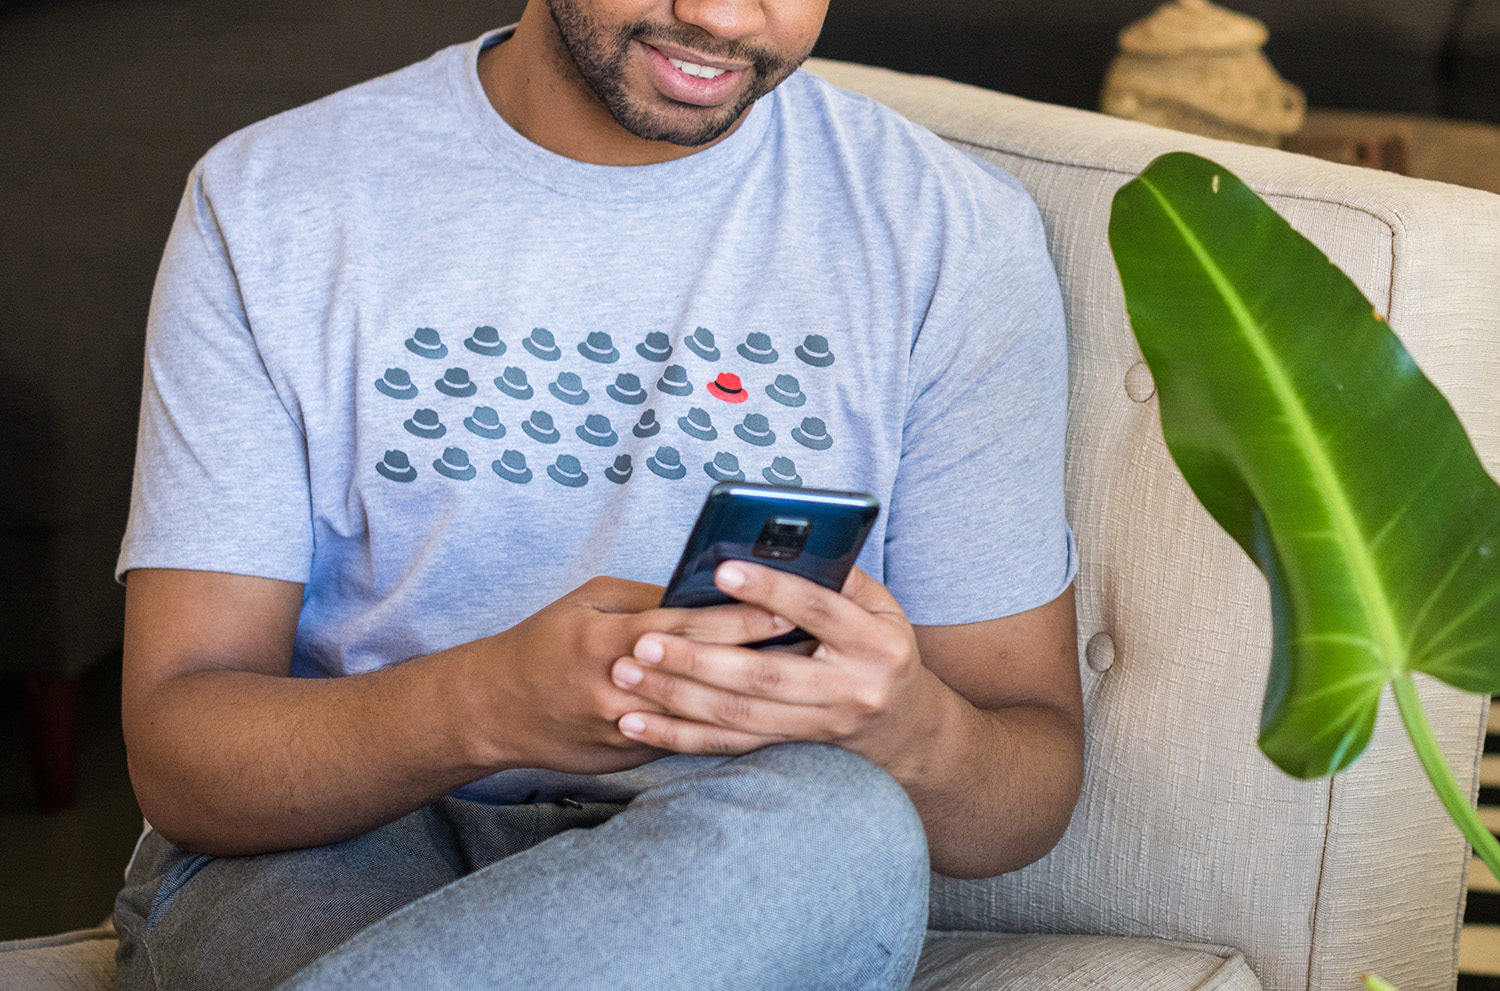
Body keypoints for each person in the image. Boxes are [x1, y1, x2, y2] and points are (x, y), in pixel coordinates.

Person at [112, 0, 1084, 988]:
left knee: (842, 826)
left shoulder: (950, 235)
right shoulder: (274, 198)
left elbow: (1027, 789)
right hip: (339, 837)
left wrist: (900, 721)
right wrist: (489, 702)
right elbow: (180, 757)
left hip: (728, 849)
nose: (716, 16)